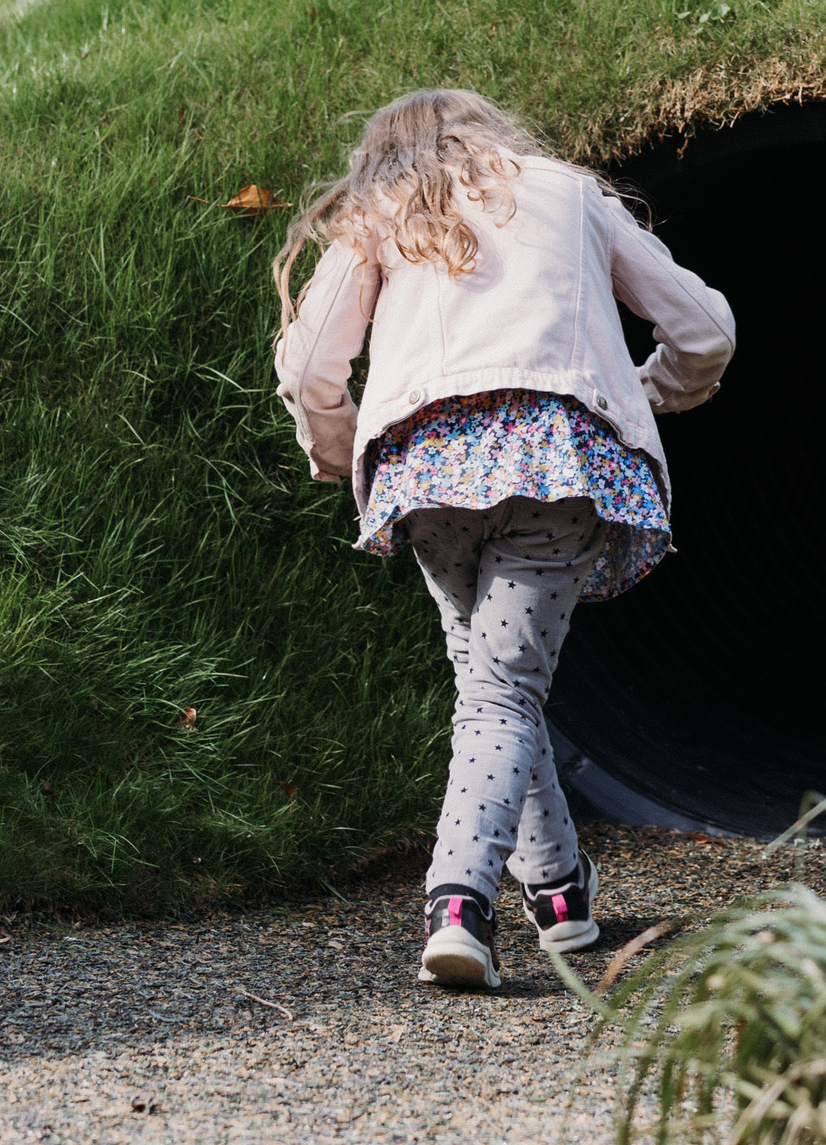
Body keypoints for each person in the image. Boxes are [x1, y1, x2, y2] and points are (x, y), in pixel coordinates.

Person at [272, 89, 735, 990]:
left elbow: (311, 363)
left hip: (429, 471)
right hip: (556, 457)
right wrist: (649, 389)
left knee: (492, 688)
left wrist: (340, 451)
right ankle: (460, 906)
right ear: (492, 132)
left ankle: (561, 892)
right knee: (503, 694)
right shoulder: (567, 192)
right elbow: (705, 330)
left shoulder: (380, 207)